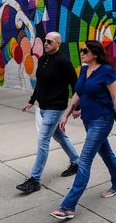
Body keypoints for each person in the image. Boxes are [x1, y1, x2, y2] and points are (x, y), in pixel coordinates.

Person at [50, 40, 116, 220]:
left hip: (102, 120)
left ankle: (68, 207)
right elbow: (79, 93)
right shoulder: (84, 70)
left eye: (85, 51)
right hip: (88, 120)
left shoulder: (106, 71)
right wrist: (66, 114)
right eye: (81, 50)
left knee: (84, 160)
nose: (82, 53)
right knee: (106, 153)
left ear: (94, 53)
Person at [16, 32, 80, 194]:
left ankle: (34, 179)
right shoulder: (43, 59)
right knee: (59, 136)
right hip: (43, 107)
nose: (45, 43)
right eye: (45, 41)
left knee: (43, 140)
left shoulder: (64, 62)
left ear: (58, 43)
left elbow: (76, 84)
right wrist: (32, 100)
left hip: (56, 107)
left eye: (49, 41)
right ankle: (77, 162)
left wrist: (77, 107)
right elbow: (40, 83)